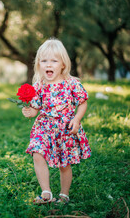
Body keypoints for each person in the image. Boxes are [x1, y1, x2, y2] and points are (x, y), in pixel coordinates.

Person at [21, 38, 91, 204]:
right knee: (37, 153)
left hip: (65, 128)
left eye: (54, 60)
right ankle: (46, 192)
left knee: (64, 164)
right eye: (44, 61)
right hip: (44, 127)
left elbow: (82, 102)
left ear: (63, 65)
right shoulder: (39, 86)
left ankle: (64, 195)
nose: (48, 65)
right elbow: (36, 108)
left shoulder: (71, 84)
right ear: (39, 65)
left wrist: (77, 119)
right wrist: (30, 112)